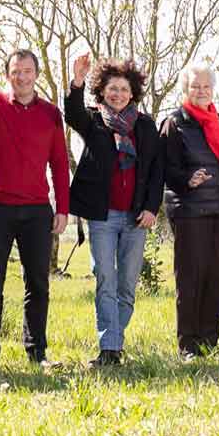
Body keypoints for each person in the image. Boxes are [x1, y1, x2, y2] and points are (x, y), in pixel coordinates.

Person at [0, 19, 70, 372]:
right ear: (7, 75)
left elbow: (59, 165)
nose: (21, 77)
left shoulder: (51, 114)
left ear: (36, 74)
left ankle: (37, 351)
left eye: (27, 71)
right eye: (15, 71)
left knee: (37, 283)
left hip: (37, 211)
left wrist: (62, 208)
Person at [65, 54, 163, 368]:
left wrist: (151, 207)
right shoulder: (94, 121)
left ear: (132, 92)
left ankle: (114, 343)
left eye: (122, 89)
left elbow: (156, 170)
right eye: (111, 89)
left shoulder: (146, 126)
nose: (117, 94)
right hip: (102, 215)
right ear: (102, 92)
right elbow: (72, 113)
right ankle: (110, 349)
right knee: (105, 277)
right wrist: (76, 82)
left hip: (136, 217)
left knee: (127, 285)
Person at [160, 60, 219, 362]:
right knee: (191, 279)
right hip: (190, 211)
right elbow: (165, 169)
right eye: (195, 86)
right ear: (185, 88)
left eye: (206, 86)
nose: (201, 91)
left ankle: (209, 342)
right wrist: (186, 180)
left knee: (218, 278)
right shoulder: (175, 123)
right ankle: (188, 346)